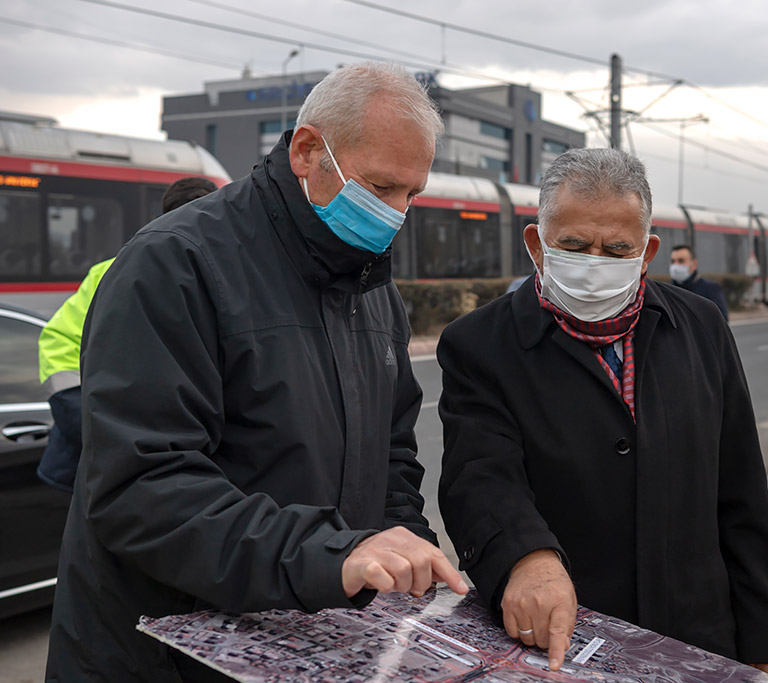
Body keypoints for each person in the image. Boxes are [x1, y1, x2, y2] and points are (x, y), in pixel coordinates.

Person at [46, 62, 467, 682]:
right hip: (167, 656)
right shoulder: (174, 263)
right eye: (380, 188)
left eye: (412, 194)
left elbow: (391, 455)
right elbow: (142, 489)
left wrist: (404, 546)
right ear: (306, 151)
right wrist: (336, 554)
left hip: (304, 642)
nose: (397, 214)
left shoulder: (373, 289)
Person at [438, 148, 768, 677]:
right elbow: (480, 476)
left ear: (647, 252)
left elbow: (741, 494)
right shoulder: (479, 344)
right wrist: (527, 558)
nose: (594, 265)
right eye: (575, 246)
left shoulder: (701, 327)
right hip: (561, 643)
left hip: (700, 639)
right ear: (537, 244)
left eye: (616, 249)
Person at [36, 177, 218, 492]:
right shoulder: (120, 270)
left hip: (143, 460)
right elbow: (63, 351)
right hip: (101, 459)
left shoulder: (213, 277)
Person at [670, 243, 729, 320]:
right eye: (673, 261)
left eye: (681, 261)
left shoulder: (710, 288)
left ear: (694, 264)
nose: (675, 265)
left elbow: (721, 320)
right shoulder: (666, 289)